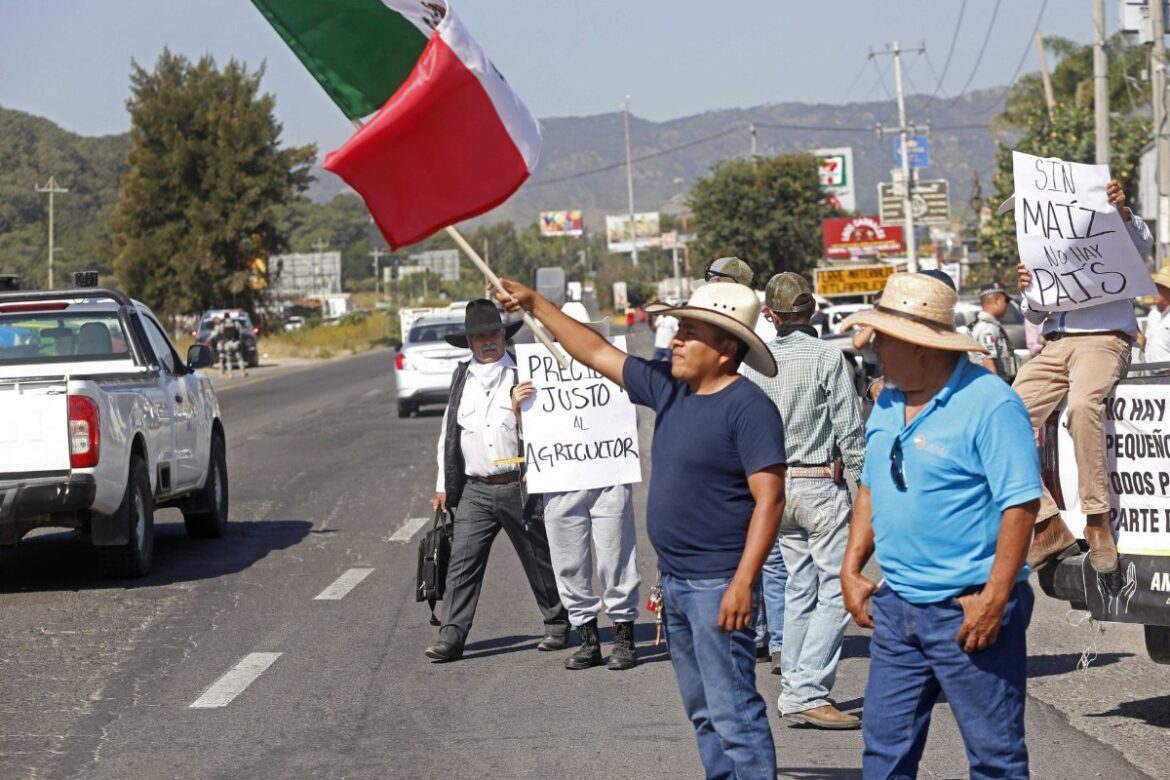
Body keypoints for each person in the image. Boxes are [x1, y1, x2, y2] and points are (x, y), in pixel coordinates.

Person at [496, 277, 786, 780]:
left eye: (690, 333)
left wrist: (743, 583)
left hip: (718, 587)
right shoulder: (669, 388)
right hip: (676, 585)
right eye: (679, 329)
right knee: (703, 712)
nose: (675, 340)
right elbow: (594, 351)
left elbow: (771, 500)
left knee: (734, 713)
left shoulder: (750, 408)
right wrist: (536, 304)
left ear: (725, 349)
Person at [840, 273, 1042, 779]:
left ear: (920, 345)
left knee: (995, 759)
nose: (874, 347)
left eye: (884, 337)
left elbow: (1021, 505)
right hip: (897, 606)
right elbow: (872, 486)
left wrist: (994, 599)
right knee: (884, 752)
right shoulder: (889, 399)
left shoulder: (991, 403)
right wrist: (852, 567)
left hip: (968, 607)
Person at [742, 272, 865, 729]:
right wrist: (868, 493)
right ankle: (805, 691)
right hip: (817, 485)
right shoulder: (827, 357)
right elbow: (850, 432)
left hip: (772, 488)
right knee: (838, 588)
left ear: (770, 315)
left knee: (799, 586)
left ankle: (796, 685)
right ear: (811, 311)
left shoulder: (753, 362)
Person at [1012, 179, 1151, 573]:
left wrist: (1122, 212)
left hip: (1104, 338)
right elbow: (1036, 312)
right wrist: (1029, 289)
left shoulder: (1107, 223)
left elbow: (1141, 246)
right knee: (1001, 417)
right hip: (1056, 344)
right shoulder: (1040, 245)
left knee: (1083, 406)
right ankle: (1046, 523)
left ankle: (1097, 520)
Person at [425, 300, 569, 663]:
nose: (487, 340)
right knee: (462, 563)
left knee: (537, 557)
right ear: (469, 341)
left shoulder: (524, 372)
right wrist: (443, 484)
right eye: (480, 336)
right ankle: (451, 636)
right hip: (475, 489)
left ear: (503, 335)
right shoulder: (462, 378)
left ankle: (557, 623)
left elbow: (548, 429)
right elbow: (448, 434)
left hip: (518, 484)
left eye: (493, 333)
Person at [513, 302, 642, 671]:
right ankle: (588, 639)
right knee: (568, 562)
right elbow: (534, 433)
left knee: (617, 558)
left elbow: (626, 423)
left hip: (608, 476)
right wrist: (518, 408)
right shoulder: (537, 376)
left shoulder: (610, 368)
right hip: (561, 481)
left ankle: (624, 638)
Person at [967, 281, 1019, 383]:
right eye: (1006, 301)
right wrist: (998, 390)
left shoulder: (988, 325)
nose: (1007, 305)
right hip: (994, 384)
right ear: (997, 301)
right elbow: (988, 362)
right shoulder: (987, 328)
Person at [1141, 265, 1170, 365]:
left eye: (1159, 288)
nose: (1154, 291)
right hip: (1151, 370)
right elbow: (1149, 343)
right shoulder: (1153, 314)